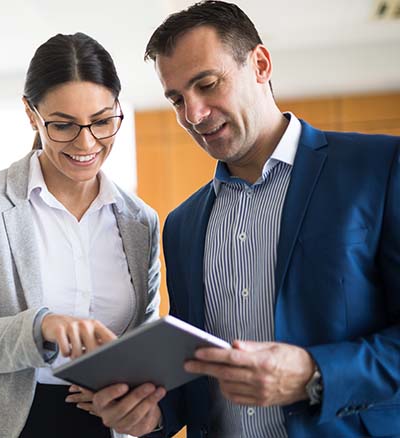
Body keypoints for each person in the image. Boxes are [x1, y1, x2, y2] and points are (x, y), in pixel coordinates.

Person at [86, 1, 400, 437]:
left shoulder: (380, 169)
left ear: (261, 64)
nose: (192, 115)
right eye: (177, 99)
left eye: (207, 84)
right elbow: (196, 374)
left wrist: (316, 372)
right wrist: (152, 414)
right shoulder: (181, 226)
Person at [0, 32, 161, 438]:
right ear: (31, 114)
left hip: (105, 426)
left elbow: (141, 340)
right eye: (63, 125)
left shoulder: (140, 220)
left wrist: (132, 392)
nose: (86, 142)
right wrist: (41, 327)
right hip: (6, 427)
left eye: (103, 121)